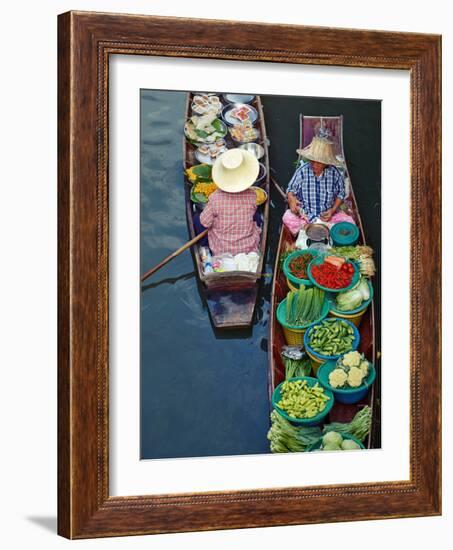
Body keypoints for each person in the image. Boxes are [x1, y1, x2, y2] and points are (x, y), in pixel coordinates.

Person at [283, 136, 355, 235]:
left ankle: (317, 229)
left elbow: (341, 193)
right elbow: (290, 189)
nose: (314, 165)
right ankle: (309, 228)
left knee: (350, 222)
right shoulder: (303, 171)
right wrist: (291, 199)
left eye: (318, 162)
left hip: (327, 217)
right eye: (312, 161)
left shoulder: (334, 173)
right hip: (306, 216)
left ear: (325, 163)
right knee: (287, 217)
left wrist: (332, 210)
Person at [199, 148, 261, 257]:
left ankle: (205, 247)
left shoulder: (215, 198)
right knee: (257, 217)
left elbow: (205, 222)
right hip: (247, 247)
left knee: (197, 219)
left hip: (221, 249)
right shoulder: (252, 195)